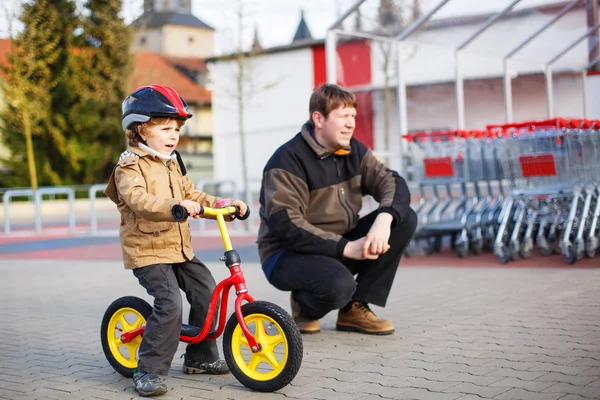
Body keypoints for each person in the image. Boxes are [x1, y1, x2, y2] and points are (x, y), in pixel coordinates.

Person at [104, 84, 248, 397]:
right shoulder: (130, 166)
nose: (173, 136)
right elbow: (139, 200)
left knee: (207, 290)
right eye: (166, 128)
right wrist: (175, 207)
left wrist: (222, 204)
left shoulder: (172, 162)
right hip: (147, 251)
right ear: (141, 130)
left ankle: (200, 358)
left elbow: (191, 195)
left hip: (178, 248)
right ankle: (148, 371)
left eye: (177, 130)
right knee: (170, 303)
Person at [257, 83, 417, 336]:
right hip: (287, 254)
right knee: (338, 286)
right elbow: (287, 226)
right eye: (343, 116)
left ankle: (355, 307)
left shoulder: (355, 151)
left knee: (403, 217)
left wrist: (384, 220)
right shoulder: (287, 160)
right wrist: (346, 247)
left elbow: (392, 182)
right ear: (318, 119)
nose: (351, 123)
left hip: (339, 244)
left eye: (353, 116)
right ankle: (304, 306)